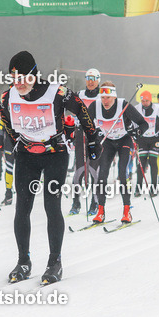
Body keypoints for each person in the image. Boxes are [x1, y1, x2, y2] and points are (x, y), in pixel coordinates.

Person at [0, 51, 97, 285]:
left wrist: (93, 140)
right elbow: (7, 123)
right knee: (22, 207)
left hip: (55, 154)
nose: (18, 83)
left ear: (34, 75)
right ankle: (24, 261)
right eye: (14, 78)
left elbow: (82, 110)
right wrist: (18, 143)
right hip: (27, 155)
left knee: (51, 205)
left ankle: (55, 262)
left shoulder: (56, 92)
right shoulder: (7, 97)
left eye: (23, 77)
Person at [92, 81, 149, 223]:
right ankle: (100, 211)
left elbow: (144, 124)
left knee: (122, 173)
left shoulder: (123, 105)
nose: (105, 101)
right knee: (102, 175)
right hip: (108, 142)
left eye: (108, 98)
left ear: (114, 97)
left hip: (124, 140)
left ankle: (126, 211)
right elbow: (85, 122)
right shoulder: (95, 106)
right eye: (103, 98)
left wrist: (137, 132)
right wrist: (93, 134)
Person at [68, 68, 100, 215]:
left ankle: (94, 204)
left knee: (94, 170)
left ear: (98, 80)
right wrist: (75, 129)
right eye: (88, 78)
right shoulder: (79, 94)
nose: (91, 82)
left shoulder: (102, 96)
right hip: (81, 134)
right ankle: (76, 203)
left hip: (96, 135)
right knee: (79, 170)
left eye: (93, 78)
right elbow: (75, 113)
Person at [136, 91, 159, 195]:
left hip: (155, 139)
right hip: (143, 138)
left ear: (150, 100)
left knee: (152, 162)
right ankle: (138, 188)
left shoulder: (157, 109)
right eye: (143, 101)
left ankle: (154, 188)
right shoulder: (137, 108)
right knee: (141, 163)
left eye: (147, 100)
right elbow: (133, 121)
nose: (145, 103)